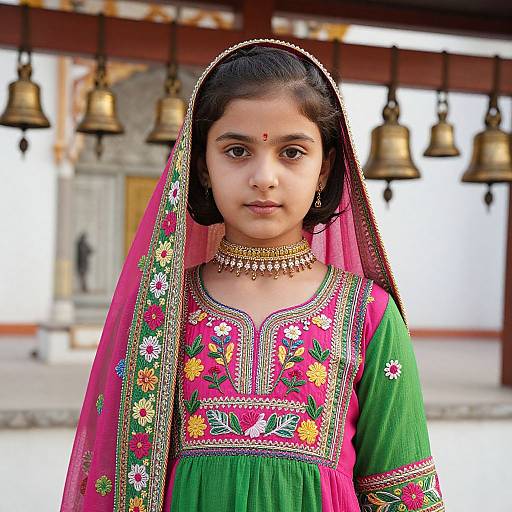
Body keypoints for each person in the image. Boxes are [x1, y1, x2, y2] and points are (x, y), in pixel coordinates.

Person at [61, 39, 445, 512]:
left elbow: (403, 493)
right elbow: (114, 480)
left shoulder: (368, 316)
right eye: (238, 150)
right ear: (202, 166)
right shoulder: (161, 311)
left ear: (324, 168)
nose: (264, 177)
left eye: (292, 152)